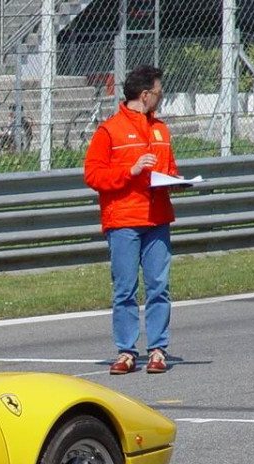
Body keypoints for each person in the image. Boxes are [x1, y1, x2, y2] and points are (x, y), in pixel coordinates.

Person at [83, 65, 179, 375]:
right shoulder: (109, 130)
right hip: (123, 219)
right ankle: (126, 351)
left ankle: (157, 350)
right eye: (158, 92)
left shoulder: (161, 129)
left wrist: (176, 179)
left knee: (159, 287)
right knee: (124, 289)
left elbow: (170, 168)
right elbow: (93, 175)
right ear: (145, 94)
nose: (160, 97)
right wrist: (131, 171)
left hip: (157, 218)